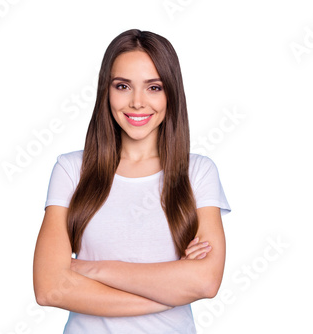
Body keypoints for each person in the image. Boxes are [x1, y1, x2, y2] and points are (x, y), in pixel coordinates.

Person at [33, 29, 231, 334]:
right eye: (123, 86)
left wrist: (90, 268)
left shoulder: (199, 173)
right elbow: (49, 287)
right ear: (106, 91)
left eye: (154, 87)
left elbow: (205, 281)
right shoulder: (72, 169)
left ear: (171, 94)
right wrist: (169, 294)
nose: (138, 102)